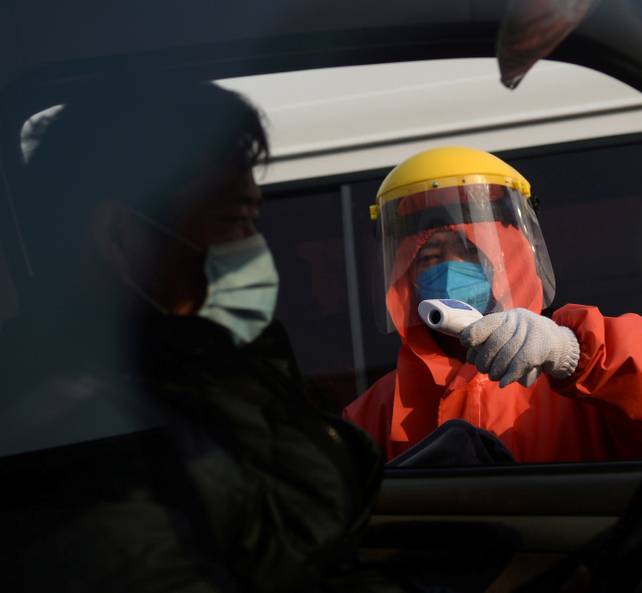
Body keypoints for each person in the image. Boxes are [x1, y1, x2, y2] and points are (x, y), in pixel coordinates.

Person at [0, 80, 395, 593]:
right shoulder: (74, 440)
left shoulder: (201, 373)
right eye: (232, 220)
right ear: (120, 237)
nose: (255, 246)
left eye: (255, 217)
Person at [344, 146, 642, 463]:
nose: (449, 268)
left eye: (469, 252)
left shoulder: (571, 376)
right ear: (404, 275)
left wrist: (576, 355)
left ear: (510, 260)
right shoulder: (377, 411)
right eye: (430, 257)